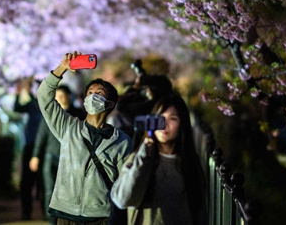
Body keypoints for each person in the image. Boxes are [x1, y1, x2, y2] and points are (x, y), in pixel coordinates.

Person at [37, 51, 132, 225]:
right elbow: (44, 97)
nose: (92, 96)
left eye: (99, 93)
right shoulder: (68, 128)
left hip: (101, 216)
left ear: (110, 104)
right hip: (66, 214)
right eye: (89, 92)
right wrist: (62, 68)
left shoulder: (121, 141)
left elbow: (125, 184)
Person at [110, 93, 208, 225]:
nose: (164, 125)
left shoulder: (190, 163)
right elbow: (122, 199)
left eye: (172, 119)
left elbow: (199, 210)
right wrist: (145, 156)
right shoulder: (138, 159)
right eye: (160, 118)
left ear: (182, 124)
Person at [30, 85, 86, 224]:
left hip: (72, 158)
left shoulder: (79, 114)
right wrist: (35, 156)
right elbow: (41, 137)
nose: (60, 98)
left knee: (71, 191)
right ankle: (51, 219)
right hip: (51, 156)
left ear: (69, 96)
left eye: (62, 95)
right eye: (57, 96)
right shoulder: (50, 115)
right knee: (49, 190)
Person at [14, 77, 44, 220]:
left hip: (45, 147)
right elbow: (18, 107)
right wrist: (21, 92)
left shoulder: (49, 105)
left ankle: (46, 212)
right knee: (27, 182)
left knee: (44, 182)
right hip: (31, 144)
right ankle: (26, 212)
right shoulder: (33, 103)